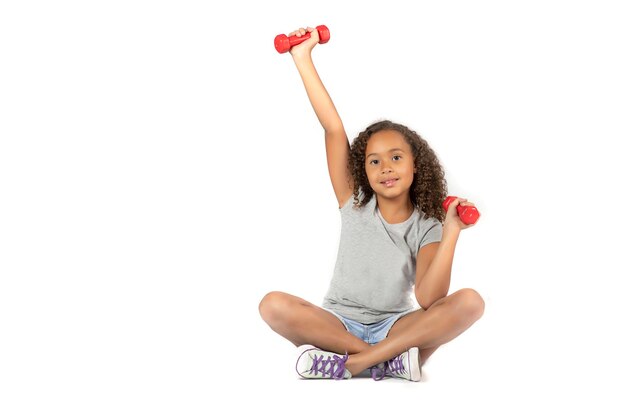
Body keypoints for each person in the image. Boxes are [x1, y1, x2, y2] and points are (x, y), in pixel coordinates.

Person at [259, 27, 485, 381]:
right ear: (362, 171)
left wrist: (452, 230)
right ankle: (385, 361)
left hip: (395, 325)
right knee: (272, 304)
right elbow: (333, 128)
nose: (386, 168)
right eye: (374, 161)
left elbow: (430, 298)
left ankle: (354, 361)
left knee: (470, 301)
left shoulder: (428, 224)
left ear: (415, 165)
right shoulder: (355, 201)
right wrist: (302, 58)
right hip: (337, 323)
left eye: (395, 157)